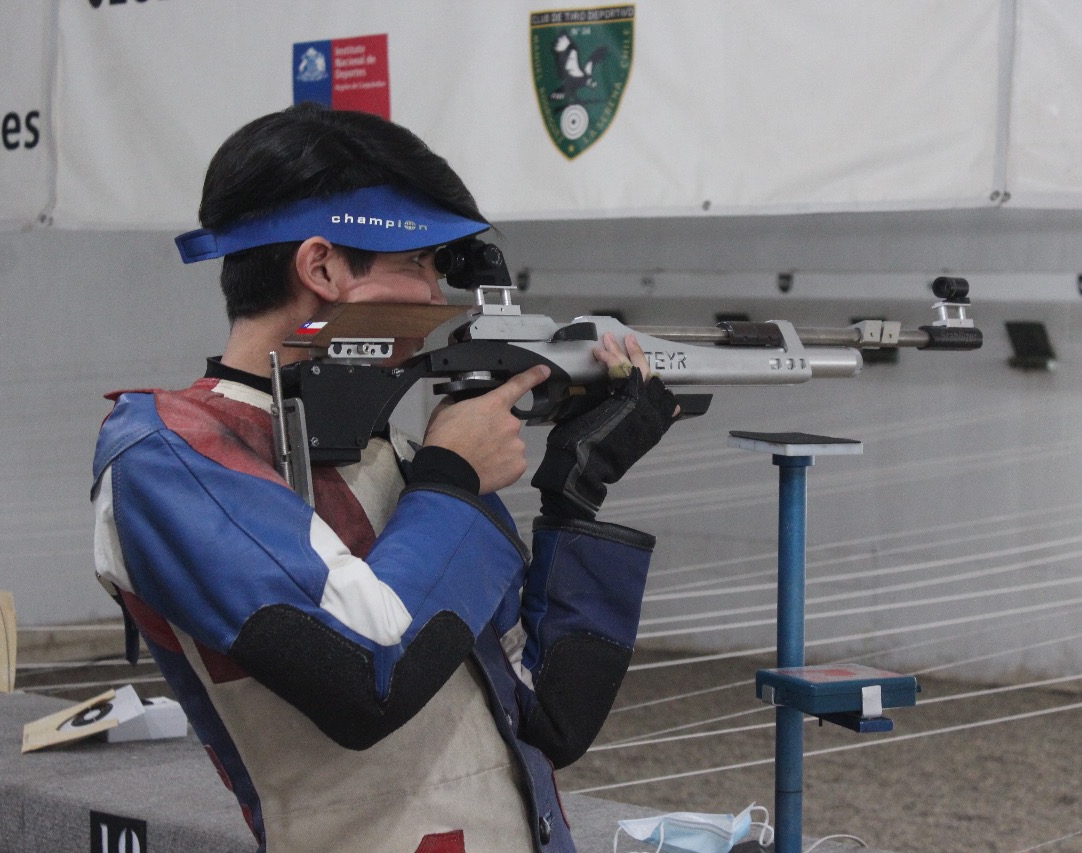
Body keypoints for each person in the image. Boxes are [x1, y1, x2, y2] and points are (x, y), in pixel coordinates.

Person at [90, 102, 679, 853]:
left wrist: (576, 491)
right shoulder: (165, 457)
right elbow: (367, 676)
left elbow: (549, 716)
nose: (437, 300)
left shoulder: (397, 461)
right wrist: (454, 477)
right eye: (417, 266)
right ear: (323, 267)